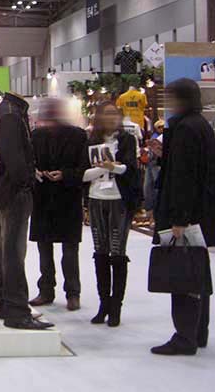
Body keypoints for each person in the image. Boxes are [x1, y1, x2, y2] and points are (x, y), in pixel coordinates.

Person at [150, 78, 215, 356]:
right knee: (197, 272)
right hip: (200, 212)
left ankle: (185, 336)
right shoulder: (200, 125)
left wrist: (179, 218)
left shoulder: (186, 129)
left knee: (183, 273)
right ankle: (198, 332)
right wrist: (165, 155)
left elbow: (184, 178)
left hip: (186, 215)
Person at [0, 92, 53, 330]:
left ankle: (7, 304)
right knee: (13, 252)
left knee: (8, 250)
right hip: (14, 192)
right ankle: (16, 311)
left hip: (10, 190)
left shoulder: (9, 111)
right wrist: (27, 180)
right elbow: (13, 158)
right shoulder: (10, 114)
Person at [83, 102, 140, 327]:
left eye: (114, 114)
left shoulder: (127, 140)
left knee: (117, 252)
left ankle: (116, 306)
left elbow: (130, 168)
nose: (110, 118)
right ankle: (103, 303)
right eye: (106, 114)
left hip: (119, 200)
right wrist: (103, 168)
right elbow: (83, 173)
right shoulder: (91, 141)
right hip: (96, 198)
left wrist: (113, 167)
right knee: (100, 252)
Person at [29, 98, 89, 311]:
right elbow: (30, 162)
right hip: (43, 198)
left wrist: (65, 174)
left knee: (69, 250)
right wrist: (37, 172)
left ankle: (73, 292)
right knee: (44, 249)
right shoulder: (36, 136)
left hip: (68, 198)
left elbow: (85, 167)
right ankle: (46, 290)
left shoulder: (78, 136)